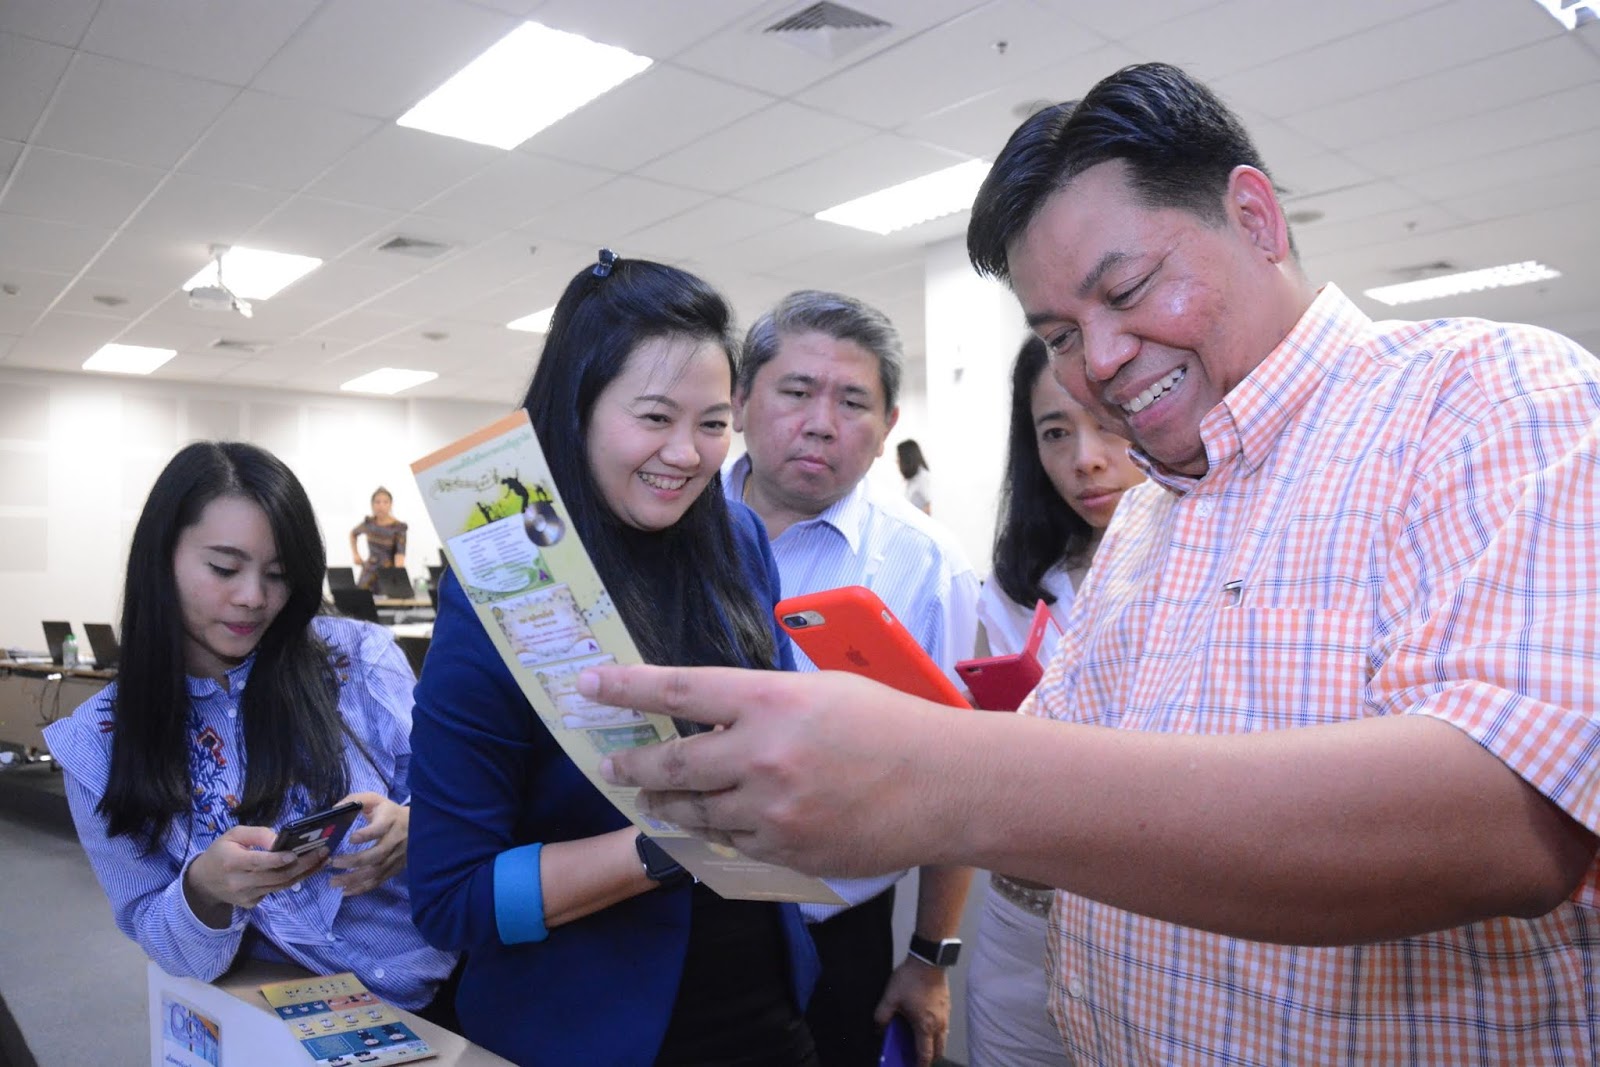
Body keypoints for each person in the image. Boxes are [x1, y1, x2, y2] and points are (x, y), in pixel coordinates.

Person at [586, 62, 1600, 1066]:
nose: (1101, 360)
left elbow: (1511, 817)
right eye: (1062, 334)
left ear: (1254, 216)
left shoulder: (1490, 396)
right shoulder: (1152, 515)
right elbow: (1061, 806)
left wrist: (946, 776)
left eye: (1128, 290)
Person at [406, 252, 820, 1067]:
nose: (687, 453)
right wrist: (667, 845)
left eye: (713, 423)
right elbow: (453, 897)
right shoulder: (505, 584)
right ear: (579, 409)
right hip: (589, 1030)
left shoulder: (737, 539)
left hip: (766, 1007)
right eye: (655, 417)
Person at [42, 442, 457, 1016]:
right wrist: (204, 890)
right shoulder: (100, 740)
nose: (254, 598)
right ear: (162, 559)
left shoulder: (357, 657)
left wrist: (415, 824)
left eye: (279, 574)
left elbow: (455, 796)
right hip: (298, 1015)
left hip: (459, 980)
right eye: (224, 568)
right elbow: (160, 937)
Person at [726, 289, 979, 1067]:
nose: (821, 422)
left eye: (852, 402)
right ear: (739, 401)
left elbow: (959, 778)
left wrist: (929, 957)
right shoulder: (667, 524)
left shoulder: (928, 566)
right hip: (656, 913)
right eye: (797, 391)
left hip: (834, 936)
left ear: (887, 426)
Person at [965, 337, 1145, 1067]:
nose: (1086, 459)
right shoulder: (1018, 586)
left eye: (1108, 422)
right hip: (1023, 916)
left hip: (1152, 924)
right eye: (1055, 433)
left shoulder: (1209, 567)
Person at [349, 487, 407, 590]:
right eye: (377, 502)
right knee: (360, 595)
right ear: (372, 505)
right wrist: (355, 554)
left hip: (388, 571)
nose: (381, 506)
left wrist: (397, 576)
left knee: (388, 597)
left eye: (385, 502)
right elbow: (353, 534)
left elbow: (400, 554)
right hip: (369, 569)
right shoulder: (369, 523)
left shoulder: (398, 527)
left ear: (391, 505)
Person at [895, 440, 932, 514]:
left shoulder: (923, 477)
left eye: (898, 457)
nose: (896, 461)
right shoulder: (912, 479)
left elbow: (928, 508)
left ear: (907, 458)